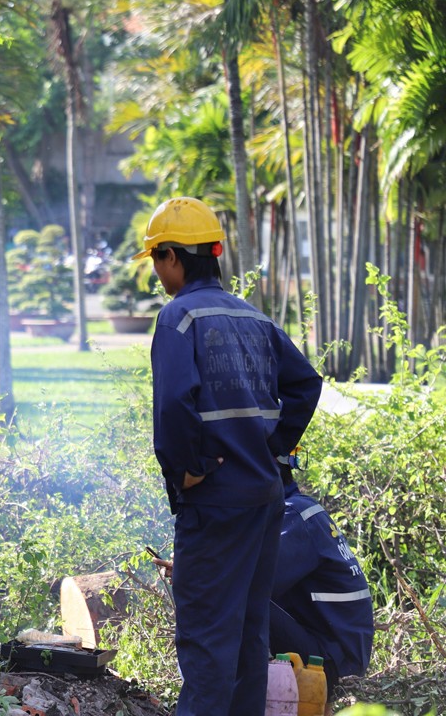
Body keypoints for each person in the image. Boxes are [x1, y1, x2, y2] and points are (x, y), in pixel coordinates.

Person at [137, 196, 323, 716]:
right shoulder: (253, 317)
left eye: (156, 259)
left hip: (214, 503)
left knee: (205, 640)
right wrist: (273, 448)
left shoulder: (178, 318)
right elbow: (306, 384)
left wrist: (187, 472)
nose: (157, 272)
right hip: (262, 499)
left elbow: (174, 404)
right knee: (246, 634)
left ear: (174, 256)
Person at [270, 449, 373, 705]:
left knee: (242, 599)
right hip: (335, 653)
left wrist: (199, 577)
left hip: (329, 663)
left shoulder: (293, 516)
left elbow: (254, 583)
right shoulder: (301, 510)